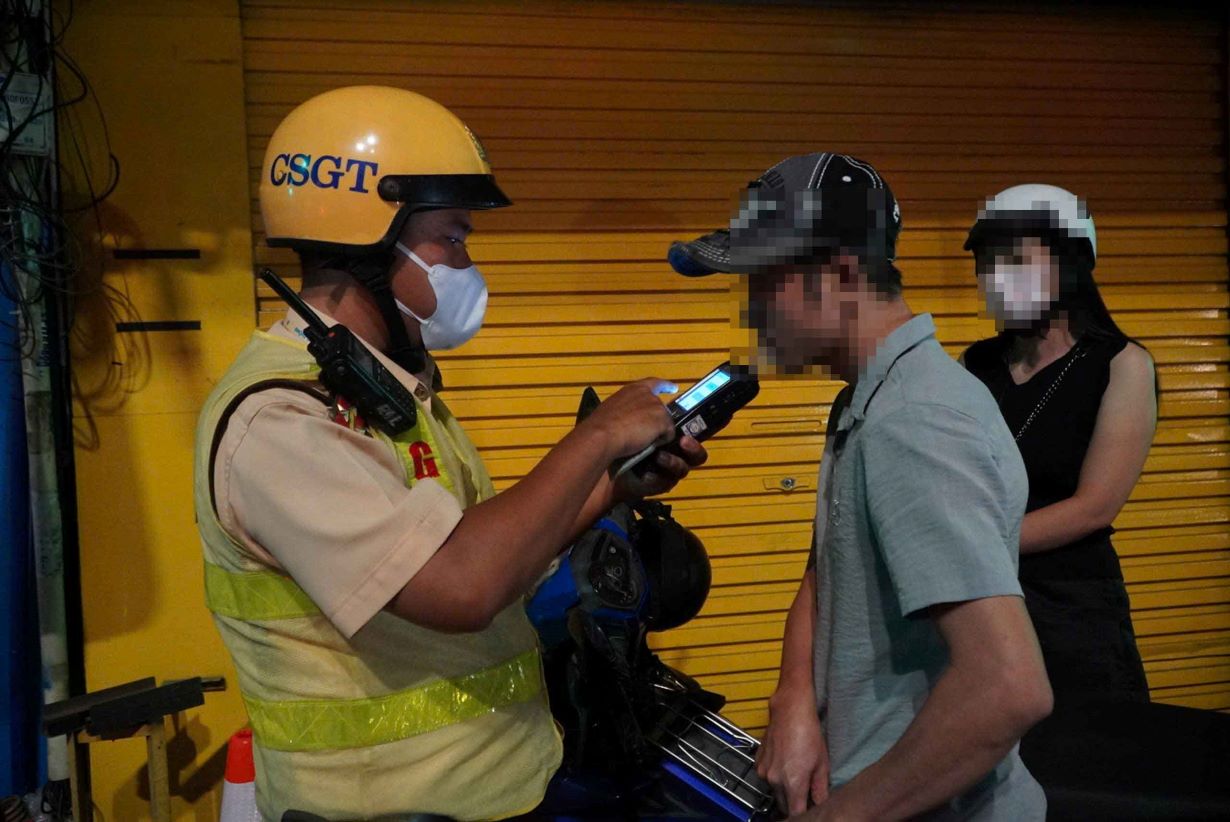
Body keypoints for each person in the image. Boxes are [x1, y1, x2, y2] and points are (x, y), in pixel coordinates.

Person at [192, 86, 706, 821]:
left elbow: (483, 550)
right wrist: (595, 437)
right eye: (452, 239)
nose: (467, 263)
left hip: (494, 792)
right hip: (383, 811)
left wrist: (612, 486)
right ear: (369, 241)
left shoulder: (391, 388)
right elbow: (460, 586)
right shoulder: (281, 419)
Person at [668, 153, 1053, 820]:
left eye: (764, 284)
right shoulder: (866, 400)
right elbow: (829, 566)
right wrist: (794, 699)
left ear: (841, 275)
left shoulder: (914, 421)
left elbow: (1006, 687)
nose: (752, 312)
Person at [961, 184, 1155, 705]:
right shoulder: (974, 364)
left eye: (1017, 261)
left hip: (1073, 609)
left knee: (1092, 748)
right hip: (981, 599)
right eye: (987, 264)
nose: (996, 278)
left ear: (1071, 265)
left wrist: (969, 546)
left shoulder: (1121, 364)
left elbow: (1094, 507)